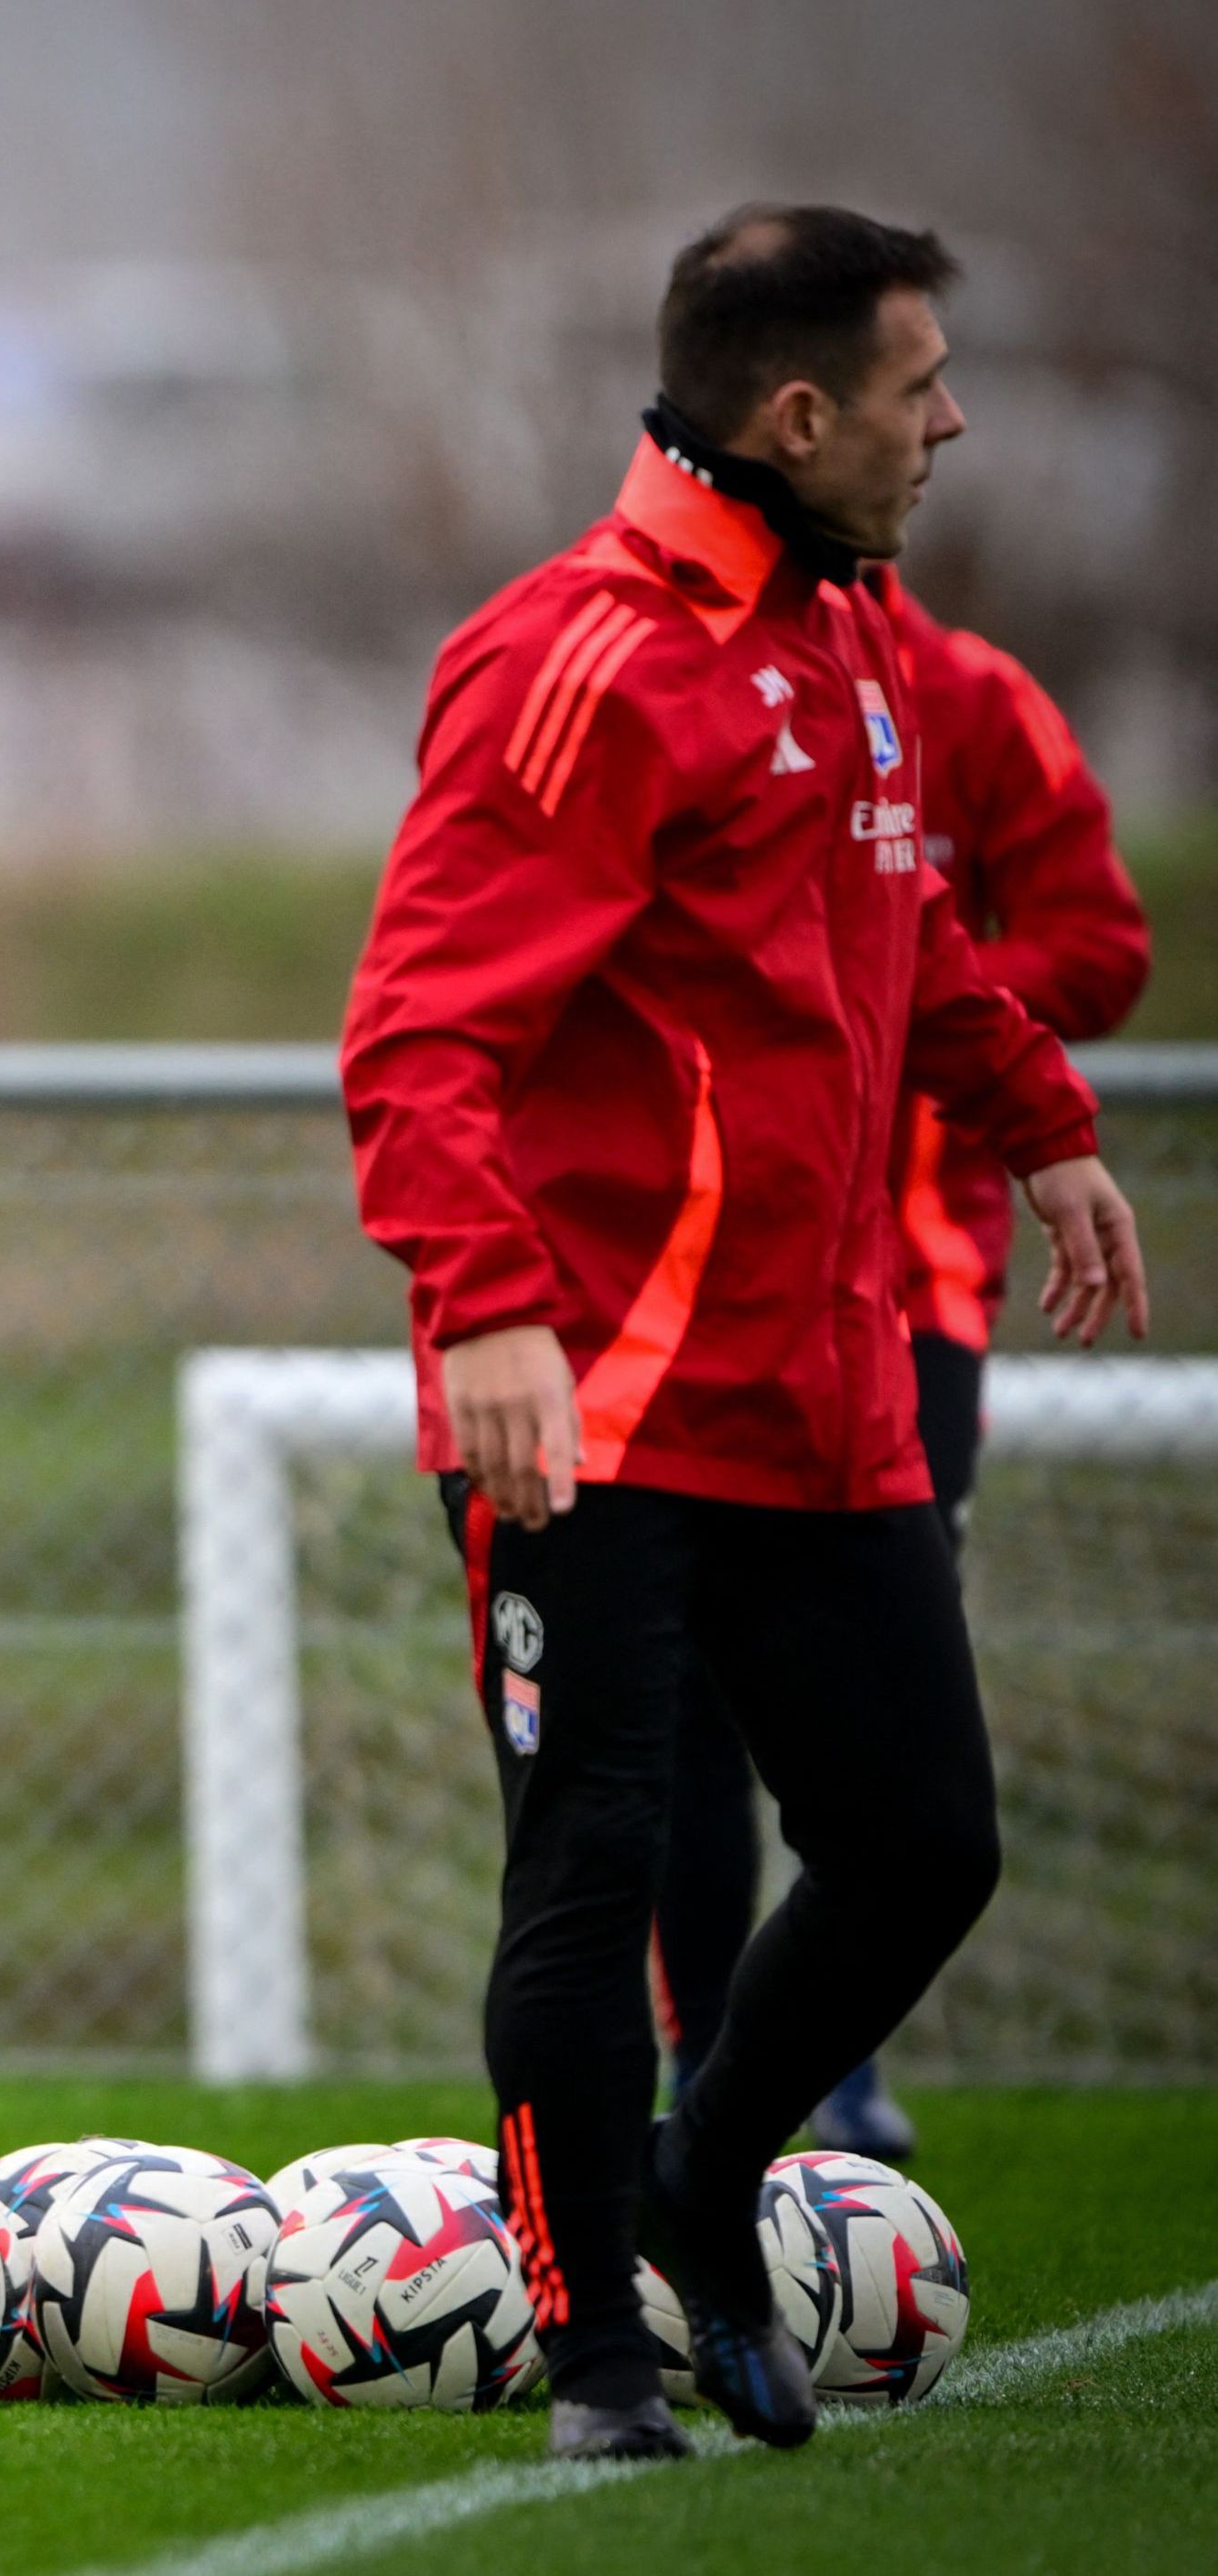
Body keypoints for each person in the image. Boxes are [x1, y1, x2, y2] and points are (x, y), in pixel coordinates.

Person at [340, 202, 1151, 2463]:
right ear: (796, 417)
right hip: (586, 1408)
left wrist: (1042, 1127)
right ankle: (596, 2350)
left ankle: (707, 2172)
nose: (950, 424)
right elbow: (415, 1035)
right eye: (917, 390)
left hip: (823, 1396)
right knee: (590, 1867)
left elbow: (906, 947)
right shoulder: (575, 656)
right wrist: (484, 1308)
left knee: (925, 1840)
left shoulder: (867, 640)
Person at [652, 578, 1145, 2168]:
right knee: (682, 1712)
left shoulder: (972, 696)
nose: (934, 437)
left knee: (870, 1731)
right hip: (711, 1297)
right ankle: (710, 2066)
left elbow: (1099, 944)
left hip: (909, 1290)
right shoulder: (678, 675)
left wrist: (889, 994)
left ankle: (827, 2062)